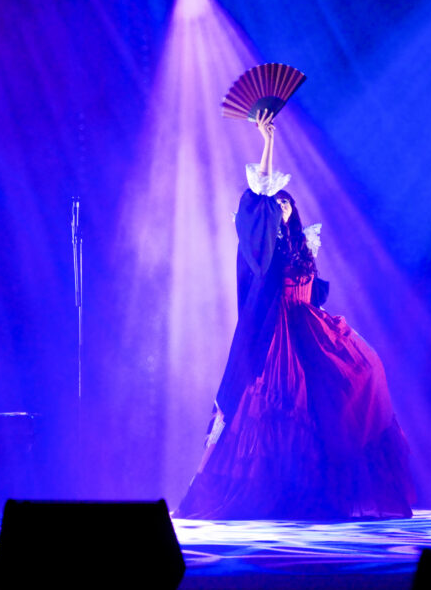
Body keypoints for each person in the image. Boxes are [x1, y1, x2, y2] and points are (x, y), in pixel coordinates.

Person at [175, 109, 414, 520]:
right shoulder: (266, 247)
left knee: (360, 371)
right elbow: (261, 195)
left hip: (310, 327)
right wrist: (268, 141)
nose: (281, 205)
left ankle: (330, 492)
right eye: (276, 202)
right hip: (278, 332)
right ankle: (277, 495)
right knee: (283, 402)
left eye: (287, 201)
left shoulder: (304, 243)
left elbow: (313, 290)